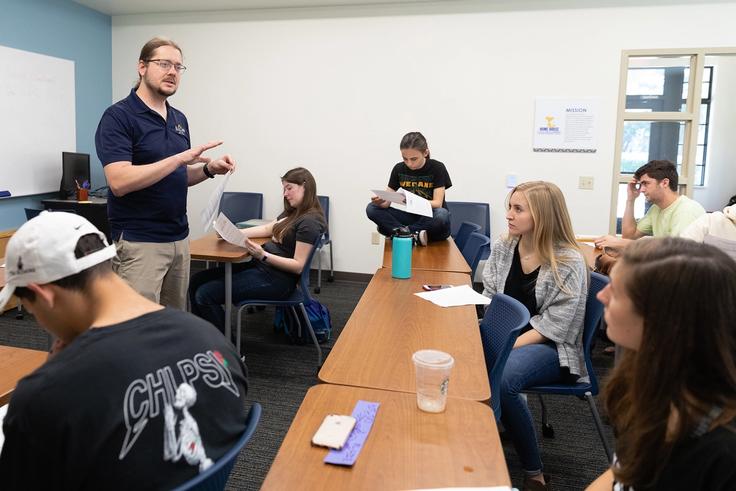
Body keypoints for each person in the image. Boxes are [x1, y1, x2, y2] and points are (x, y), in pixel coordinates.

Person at [0, 212, 249, 490]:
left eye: (33, 311)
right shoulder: (214, 340)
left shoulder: (42, 397)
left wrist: (51, 380)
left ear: (43, 294)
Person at [95, 36, 237, 310]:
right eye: (163, 64)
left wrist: (208, 169)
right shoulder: (118, 116)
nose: (172, 71)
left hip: (179, 239)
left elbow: (177, 177)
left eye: (178, 67)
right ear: (142, 67)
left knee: (174, 323)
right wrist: (178, 159)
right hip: (140, 243)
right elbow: (119, 181)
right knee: (138, 327)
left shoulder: (178, 119)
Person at [587, 238, 736, 491]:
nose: (601, 295)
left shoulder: (723, 457)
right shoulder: (645, 383)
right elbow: (623, 470)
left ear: (663, 320)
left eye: (617, 291)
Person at [482, 181, 588, 491]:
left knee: (503, 379)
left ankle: (534, 473)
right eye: (509, 207)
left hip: (554, 348)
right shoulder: (504, 246)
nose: (509, 215)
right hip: (509, 339)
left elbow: (557, 326)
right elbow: (490, 296)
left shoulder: (568, 260)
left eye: (518, 209)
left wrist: (502, 345)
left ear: (541, 217)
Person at [189, 167, 326, 333]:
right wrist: (233, 233)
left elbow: (298, 265)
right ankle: (205, 340)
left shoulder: (309, 222)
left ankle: (227, 350)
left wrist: (263, 255)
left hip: (278, 281)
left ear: (305, 186)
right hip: (263, 269)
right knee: (196, 281)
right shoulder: (294, 212)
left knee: (204, 295)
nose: (285, 194)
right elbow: (269, 228)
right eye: (284, 189)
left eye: (289, 188)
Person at [594, 160, 705, 253]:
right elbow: (629, 236)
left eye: (645, 183)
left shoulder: (687, 210)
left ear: (665, 183)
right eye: (641, 184)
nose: (641, 189)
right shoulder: (656, 209)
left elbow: (675, 252)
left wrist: (619, 243)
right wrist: (630, 200)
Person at [366, 131, 452, 245]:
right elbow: (386, 203)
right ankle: (411, 235)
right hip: (412, 218)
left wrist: (412, 201)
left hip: (432, 221)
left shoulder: (437, 168)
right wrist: (380, 201)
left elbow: (437, 203)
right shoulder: (398, 169)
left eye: (414, 159)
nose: (409, 163)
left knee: (442, 214)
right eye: (405, 159)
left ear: (425, 152)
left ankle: (402, 233)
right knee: (372, 208)